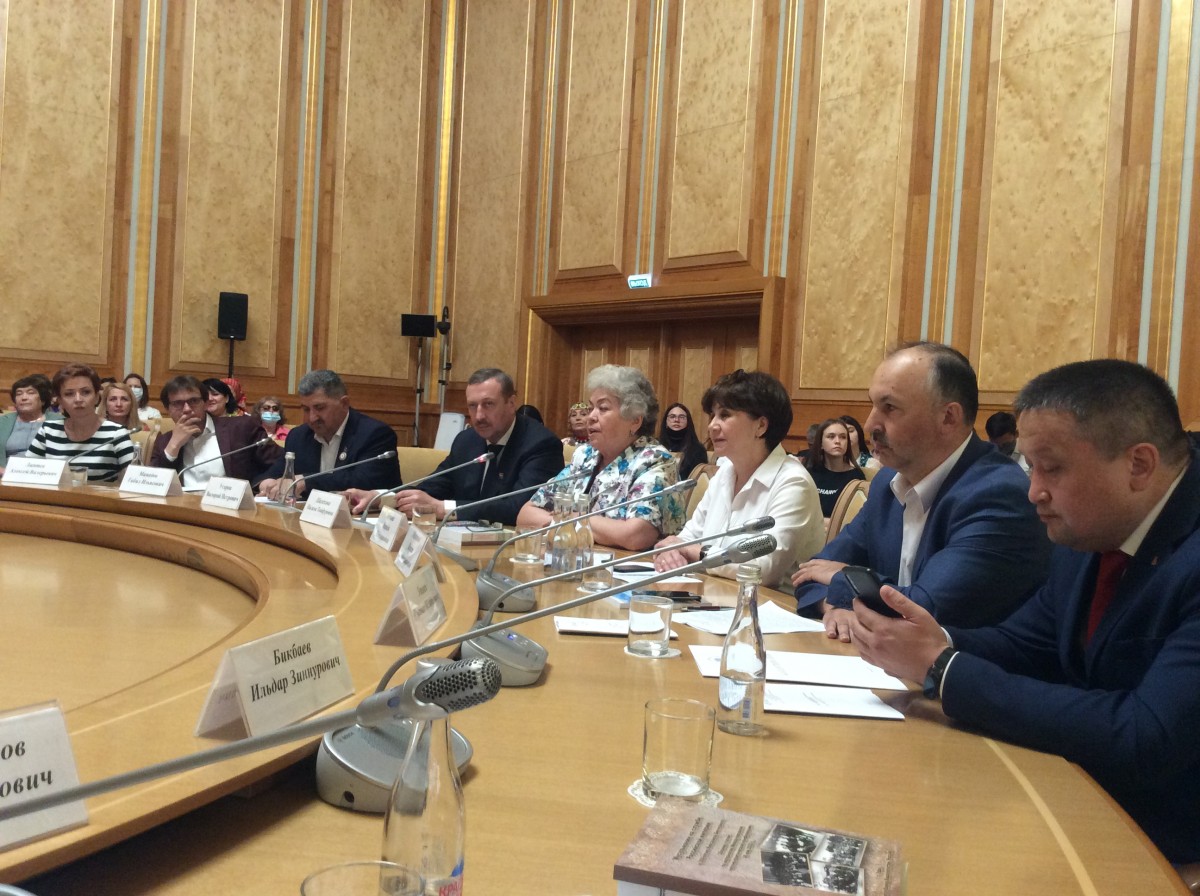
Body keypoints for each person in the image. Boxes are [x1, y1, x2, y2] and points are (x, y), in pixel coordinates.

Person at [850, 359, 1200, 868]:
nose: (1034, 491)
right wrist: (933, 641)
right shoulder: (1091, 525)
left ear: (1139, 465)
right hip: (1069, 791)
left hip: (1157, 837)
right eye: (1029, 466)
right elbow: (1029, 643)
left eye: (1051, 468)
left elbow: (1144, 738)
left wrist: (944, 669)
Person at [792, 342, 1051, 637]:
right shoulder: (887, 483)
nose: (870, 424)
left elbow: (923, 611)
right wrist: (834, 608)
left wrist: (843, 576)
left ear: (948, 417)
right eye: (873, 405)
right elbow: (810, 574)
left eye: (889, 408)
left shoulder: (998, 494)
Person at [653, 371, 824, 587]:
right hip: (713, 594)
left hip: (770, 602)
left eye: (724, 415)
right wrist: (671, 551)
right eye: (712, 415)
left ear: (761, 426)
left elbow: (762, 567)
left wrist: (693, 551)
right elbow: (688, 537)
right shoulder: (724, 473)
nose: (712, 426)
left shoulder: (793, 483)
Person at [344, 368, 562, 525]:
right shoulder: (467, 440)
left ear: (511, 403)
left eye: (488, 404)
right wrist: (379, 498)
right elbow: (433, 486)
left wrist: (443, 509)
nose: (479, 416)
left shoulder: (540, 445)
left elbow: (517, 507)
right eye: (472, 406)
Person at [518, 364, 685, 551]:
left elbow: (635, 536)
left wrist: (573, 519)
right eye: (591, 408)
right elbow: (526, 514)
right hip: (578, 560)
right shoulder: (585, 456)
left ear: (635, 421)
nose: (591, 417)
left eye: (603, 408)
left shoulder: (655, 461)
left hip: (634, 566)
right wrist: (572, 526)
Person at [258, 369, 400, 499]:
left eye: (319, 408)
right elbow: (277, 472)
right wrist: (267, 483)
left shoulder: (375, 434)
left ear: (344, 403)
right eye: (306, 409)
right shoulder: (298, 436)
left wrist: (307, 481)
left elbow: (364, 480)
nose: (312, 418)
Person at [150, 376, 281, 488]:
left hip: (229, 505)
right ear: (167, 409)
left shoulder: (241, 428)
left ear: (205, 403)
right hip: (182, 506)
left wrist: (261, 483)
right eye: (178, 403)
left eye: (193, 401)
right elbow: (153, 485)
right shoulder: (164, 442)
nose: (187, 409)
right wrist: (173, 446)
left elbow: (283, 461)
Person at [27, 363, 136, 482]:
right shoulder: (48, 430)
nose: (78, 399)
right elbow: (27, 472)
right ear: (60, 401)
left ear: (96, 397)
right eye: (69, 394)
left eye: (86, 392)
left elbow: (134, 480)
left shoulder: (117, 433)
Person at [803, 418, 866, 517]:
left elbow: (860, 516)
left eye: (843, 437)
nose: (837, 441)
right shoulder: (809, 473)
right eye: (831, 437)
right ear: (821, 444)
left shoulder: (856, 476)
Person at [0, 374, 61, 471]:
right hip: (6, 475)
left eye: (31, 393)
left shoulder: (59, 421)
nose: (24, 397)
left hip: (45, 474)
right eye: (19, 394)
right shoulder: (3, 422)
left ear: (43, 400)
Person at [657, 402, 708, 480]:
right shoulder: (656, 445)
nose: (676, 420)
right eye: (672, 416)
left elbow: (698, 480)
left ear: (688, 422)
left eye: (681, 417)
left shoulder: (698, 449)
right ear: (666, 421)